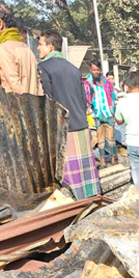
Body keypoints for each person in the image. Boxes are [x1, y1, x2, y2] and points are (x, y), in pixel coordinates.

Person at [37, 30, 100, 199]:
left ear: (50, 47)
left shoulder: (43, 68)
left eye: (41, 44)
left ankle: (73, 208)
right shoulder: (73, 69)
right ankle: (91, 204)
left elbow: (48, 101)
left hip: (63, 129)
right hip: (81, 125)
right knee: (86, 175)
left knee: (68, 176)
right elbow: (83, 100)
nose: (38, 48)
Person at [0, 3, 41, 95]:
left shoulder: (5, 49)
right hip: (33, 105)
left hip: (17, 107)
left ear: (0, 23)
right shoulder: (26, 48)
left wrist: (26, 104)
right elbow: (38, 84)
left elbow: (14, 86)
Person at [85, 60, 118, 167]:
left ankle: (113, 159)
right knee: (100, 139)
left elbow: (112, 95)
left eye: (98, 70)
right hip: (97, 114)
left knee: (111, 137)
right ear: (90, 70)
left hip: (108, 113)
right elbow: (86, 98)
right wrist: (90, 110)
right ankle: (103, 161)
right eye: (94, 70)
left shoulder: (107, 82)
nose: (96, 72)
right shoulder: (87, 83)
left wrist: (113, 109)